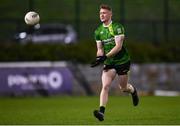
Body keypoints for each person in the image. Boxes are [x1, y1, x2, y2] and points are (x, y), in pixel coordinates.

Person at [91, 4, 139, 121]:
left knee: (123, 88)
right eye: (100, 13)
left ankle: (133, 91)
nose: (102, 15)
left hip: (122, 61)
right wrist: (99, 58)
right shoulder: (98, 31)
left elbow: (118, 47)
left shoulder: (117, 27)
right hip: (109, 62)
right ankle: (101, 112)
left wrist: (104, 56)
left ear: (110, 14)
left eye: (104, 13)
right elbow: (100, 49)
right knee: (105, 86)